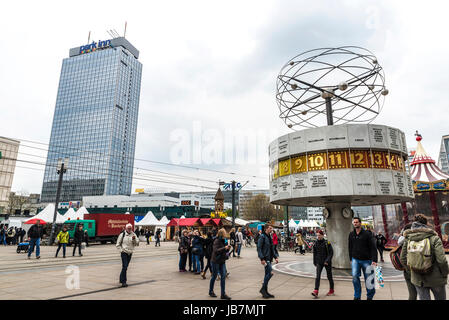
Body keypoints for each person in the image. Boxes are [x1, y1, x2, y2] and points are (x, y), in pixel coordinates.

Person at [400, 214, 448, 300]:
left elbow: (403, 258)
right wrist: (444, 273)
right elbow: (441, 260)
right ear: (426, 224)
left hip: (418, 280)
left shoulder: (408, 238)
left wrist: (413, 271)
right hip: (436, 279)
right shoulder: (434, 238)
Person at [348, 217, 377, 300]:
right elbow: (350, 247)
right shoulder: (351, 234)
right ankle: (357, 296)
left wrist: (374, 260)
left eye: (357, 222)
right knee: (354, 277)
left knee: (369, 279)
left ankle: (370, 296)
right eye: (354, 222)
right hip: (355, 260)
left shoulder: (367, 234)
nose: (355, 223)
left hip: (367, 260)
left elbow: (373, 247)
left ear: (360, 223)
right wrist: (351, 258)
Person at [209, 228, 232, 300]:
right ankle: (211, 291)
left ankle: (223, 294)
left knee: (223, 277)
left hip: (222, 261)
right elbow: (216, 251)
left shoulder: (224, 240)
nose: (226, 234)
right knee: (214, 276)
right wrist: (224, 248)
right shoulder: (217, 241)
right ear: (222, 234)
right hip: (215, 261)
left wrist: (227, 248)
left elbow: (224, 250)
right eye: (225, 232)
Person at [257, 224, 279, 298]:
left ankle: (265, 292)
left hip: (269, 258)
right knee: (270, 273)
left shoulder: (269, 237)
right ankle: (263, 289)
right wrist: (262, 258)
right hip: (265, 258)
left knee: (267, 274)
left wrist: (275, 257)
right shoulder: (262, 236)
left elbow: (272, 249)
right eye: (270, 228)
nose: (271, 230)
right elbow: (259, 248)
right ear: (266, 229)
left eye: (272, 228)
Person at [311, 230, 334, 297]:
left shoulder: (327, 243)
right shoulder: (315, 243)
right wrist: (314, 262)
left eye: (319, 235)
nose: (318, 237)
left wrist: (327, 261)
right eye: (317, 235)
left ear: (322, 235)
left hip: (327, 262)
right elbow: (314, 254)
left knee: (329, 276)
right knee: (317, 277)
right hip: (319, 262)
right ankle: (316, 291)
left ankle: (331, 290)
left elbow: (331, 253)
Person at [397, 223, 417, 300]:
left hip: (407, 269)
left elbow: (402, 258)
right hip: (416, 269)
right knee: (423, 294)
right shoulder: (413, 239)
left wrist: (407, 268)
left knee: (412, 294)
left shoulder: (402, 239)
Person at [116, 223, 139, 287]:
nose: (129, 229)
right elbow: (118, 244)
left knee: (125, 267)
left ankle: (121, 279)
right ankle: (124, 282)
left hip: (130, 253)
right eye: (128, 228)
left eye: (130, 228)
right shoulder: (122, 234)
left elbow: (137, 244)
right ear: (126, 228)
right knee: (125, 266)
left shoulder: (134, 234)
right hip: (124, 252)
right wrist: (121, 250)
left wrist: (134, 239)